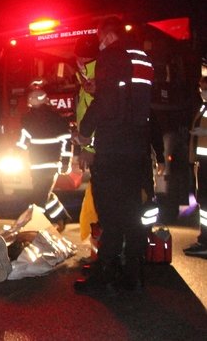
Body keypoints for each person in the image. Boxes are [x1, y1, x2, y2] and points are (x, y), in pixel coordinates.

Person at [74, 16, 154, 293]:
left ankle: (103, 273)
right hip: (137, 146)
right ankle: (132, 273)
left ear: (107, 36)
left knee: (109, 211)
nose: (99, 45)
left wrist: (85, 130)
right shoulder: (142, 58)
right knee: (132, 211)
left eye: (99, 39)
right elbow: (128, 96)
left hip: (114, 146)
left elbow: (107, 101)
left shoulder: (111, 56)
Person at [17, 88, 72, 224]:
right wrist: (66, 162)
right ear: (47, 101)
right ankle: (61, 217)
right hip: (52, 164)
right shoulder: (58, 119)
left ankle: (35, 223)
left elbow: (22, 143)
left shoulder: (27, 119)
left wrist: (18, 155)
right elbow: (66, 141)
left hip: (36, 164)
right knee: (43, 193)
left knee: (40, 194)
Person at [73, 35, 100, 251]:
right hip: (96, 147)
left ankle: (103, 256)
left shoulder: (94, 77)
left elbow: (99, 117)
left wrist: (89, 148)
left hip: (100, 150)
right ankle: (99, 252)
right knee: (99, 202)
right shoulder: (86, 77)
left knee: (102, 205)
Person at [184, 75, 207, 257]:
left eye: (204, 88)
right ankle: (203, 239)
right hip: (202, 162)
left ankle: (205, 241)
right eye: (200, 88)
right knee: (203, 201)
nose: (202, 92)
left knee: (206, 202)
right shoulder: (203, 106)